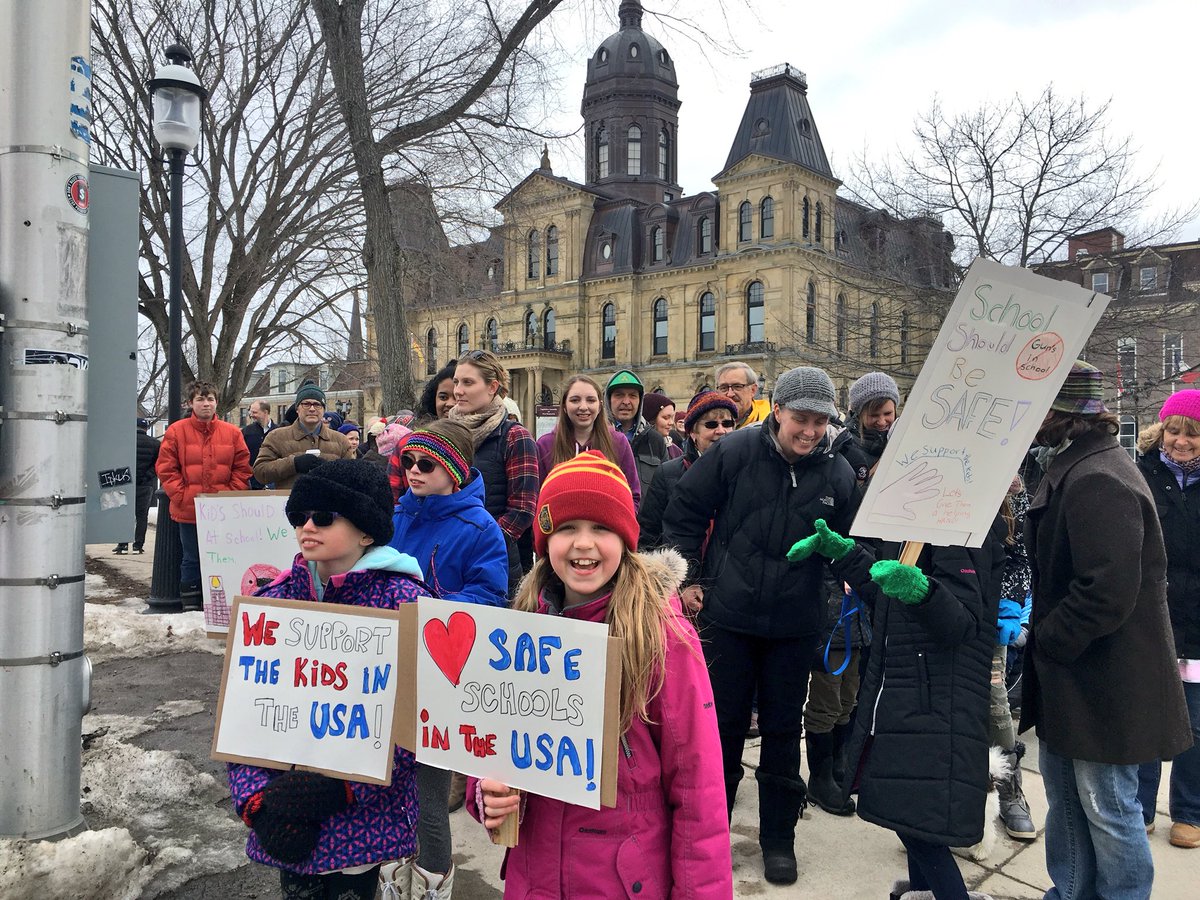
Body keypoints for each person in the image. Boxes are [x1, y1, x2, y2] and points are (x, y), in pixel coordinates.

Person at [468, 452, 731, 899]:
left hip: (622, 882)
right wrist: (486, 794)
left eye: (601, 529)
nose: (583, 545)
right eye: (567, 528)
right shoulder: (518, 632)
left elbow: (698, 789)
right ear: (545, 540)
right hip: (535, 880)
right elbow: (492, 743)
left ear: (626, 539)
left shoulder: (663, 638)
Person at [661, 366, 858, 885]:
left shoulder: (837, 473)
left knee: (780, 733)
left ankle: (778, 838)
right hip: (730, 618)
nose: (810, 431)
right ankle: (711, 833)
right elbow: (683, 510)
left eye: (820, 421)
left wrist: (841, 581)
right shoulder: (735, 451)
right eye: (800, 418)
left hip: (795, 626)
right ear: (778, 411)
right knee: (721, 734)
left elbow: (848, 547)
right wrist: (691, 578)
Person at [1020, 361, 1191, 900]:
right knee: (1071, 800)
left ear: (1059, 414)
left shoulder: (1097, 476)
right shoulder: (1085, 465)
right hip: (1083, 675)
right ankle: (1071, 892)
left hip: (1103, 679)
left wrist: (1046, 640)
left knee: (1109, 807)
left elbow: (1107, 592)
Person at [228, 461, 426, 900]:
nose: (306, 527)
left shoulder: (405, 603)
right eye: (299, 517)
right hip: (283, 811)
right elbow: (243, 712)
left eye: (323, 516)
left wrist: (346, 789)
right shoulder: (272, 602)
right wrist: (256, 800)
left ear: (367, 531)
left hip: (363, 821)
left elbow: (418, 722)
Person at [787, 509, 1007, 900]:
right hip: (903, 693)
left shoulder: (963, 523)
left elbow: (964, 622)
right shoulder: (913, 521)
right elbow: (888, 596)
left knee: (920, 830)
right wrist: (844, 554)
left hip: (938, 700)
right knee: (911, 818)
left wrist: (921, 590)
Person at [1135, 389, 1200, 849]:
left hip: (1198, 621)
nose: (1181, 441)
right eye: (1174, 431)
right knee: (1147, 713)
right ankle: (1139, 808)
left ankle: (1190, 812)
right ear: (1160, 431)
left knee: (1197, 723)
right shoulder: (1140, 475)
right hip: (1151, 615)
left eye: (1192, 434)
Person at [444, 350, 538, 597]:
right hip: (445, 556)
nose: (458, 391)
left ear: (492, 387)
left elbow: (523, 510)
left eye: (468, 382)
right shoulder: (444, 434)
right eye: (456, 382)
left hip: (495, 562)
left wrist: (479, 542)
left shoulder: (514, 436)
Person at [155, 381, 251, 611]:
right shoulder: (176, 431)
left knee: (223, 558)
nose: (206, 404)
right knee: (191, 558)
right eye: (200, 399)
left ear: (216, 402)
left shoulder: (232, 433)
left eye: (210, 399)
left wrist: (229, 495)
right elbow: (166, 468)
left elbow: (242, 468)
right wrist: (183, 495)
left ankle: (221, 603)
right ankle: (191, 605)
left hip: (223, 511)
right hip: (190, 509)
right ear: (191, 403)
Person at [637, 390, 737, 551]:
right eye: (711, 424)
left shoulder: (744, 470)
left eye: (727, 424)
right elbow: (650, 535)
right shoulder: (667, 474)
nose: (720, 431)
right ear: (692, 432)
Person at [535, 374, 640, 506]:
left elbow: (632, 496)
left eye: (590, 400)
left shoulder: (618, 443)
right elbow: (536, 499)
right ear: (564, 406)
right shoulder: (545, 445)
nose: (583, 407)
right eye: (575, 400)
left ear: (600, 406)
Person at [253, 384, 356, 491]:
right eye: (306, 404)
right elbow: (260, 472)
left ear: (323, 410)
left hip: (329, 504)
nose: (312, 409)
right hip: (289, 504)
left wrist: (330, 469)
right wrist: (294, 464)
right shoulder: (276, 437)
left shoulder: (341, 440)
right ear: (297, 408)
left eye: (317, 404)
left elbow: (354, 476)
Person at [606, 369, 672, 493]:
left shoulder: (655, 440)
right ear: (608, 400)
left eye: (632, 395)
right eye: (619, 395)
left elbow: (666, 489)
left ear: (640, 401)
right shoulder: (596, 437)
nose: (626, 402)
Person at [841, 371, 900, 482]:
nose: (882, 422)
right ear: (859, 414)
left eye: (888, 414)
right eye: (874, 415)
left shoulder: (905, 441)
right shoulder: (845, 447)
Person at [114, 418, 160, 555]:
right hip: (145, 485)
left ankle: (122, 545)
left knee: (123, 514)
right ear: (146, 429)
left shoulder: (124, 442)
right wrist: (147, 476)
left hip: (125, 482)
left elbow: (119, 461)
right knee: (141, 516)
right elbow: (158, 465)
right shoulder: (155, 444)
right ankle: (138, 545)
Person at [715, 361, 769, 429]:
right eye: (724, 388)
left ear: (753, 390)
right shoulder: (706, 426)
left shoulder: (769, 427)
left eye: (737, 386)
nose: (730, 394)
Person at [242, 400, 276, 489]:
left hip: (274, 481)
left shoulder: (279, 432)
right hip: (252, 482)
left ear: (265, 412)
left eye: (254, 412)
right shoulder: (246, 432)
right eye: (250, 412)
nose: (251, 415)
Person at [642, 391, 683, 459]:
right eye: (666, 418)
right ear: (651, 419)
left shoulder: (675, 451)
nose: (671, 422)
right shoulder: (636, 448)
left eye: (672, 417)